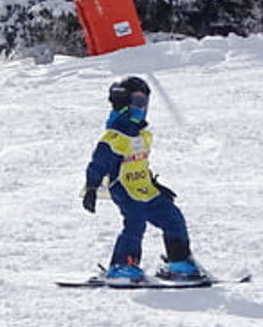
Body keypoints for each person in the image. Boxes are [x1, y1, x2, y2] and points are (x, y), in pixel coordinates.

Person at [81, 76, 202, 284]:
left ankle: (179, 262)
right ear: (123, 103)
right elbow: (98, 163)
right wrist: (92, 187)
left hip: (145, 189)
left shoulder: (143, 135)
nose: (142, 108)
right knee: (135, 223)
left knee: (173, 218)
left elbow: (140, 165)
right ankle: (122, 266)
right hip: (124, 189)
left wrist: (156, 185)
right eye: (137, 102)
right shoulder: (115, 138)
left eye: (144, 103)